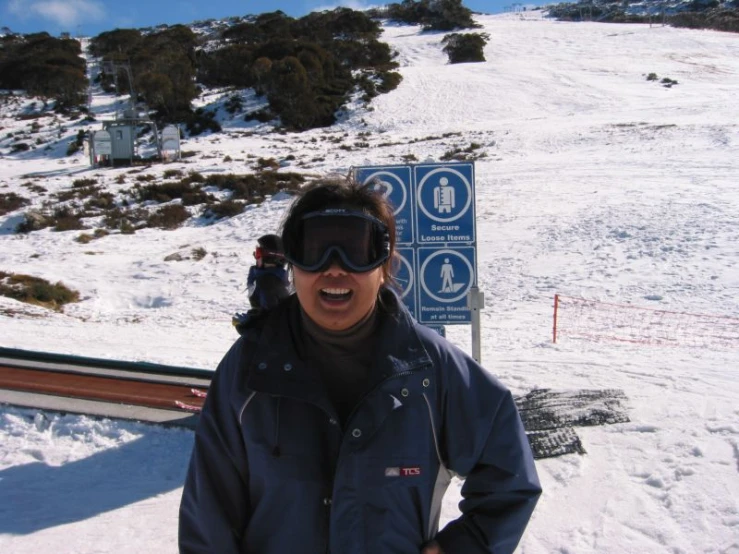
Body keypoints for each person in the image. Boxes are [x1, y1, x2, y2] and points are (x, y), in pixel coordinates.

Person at [179, 176, 541, 554]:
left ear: (384, 264)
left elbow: (510, 476)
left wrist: (465, 545)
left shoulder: (431, 372)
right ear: (292, 266)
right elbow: (209, 517)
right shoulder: (248, 372)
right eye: (315, 250)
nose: (334, 269)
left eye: (356, 249)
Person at [231, 234, 290, 329]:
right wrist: (253, 315)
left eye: (258, 253)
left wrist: (248, 324)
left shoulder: (268, 282)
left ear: (270, 258)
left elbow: (272, 323)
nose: (255, 256)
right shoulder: (270, 278)